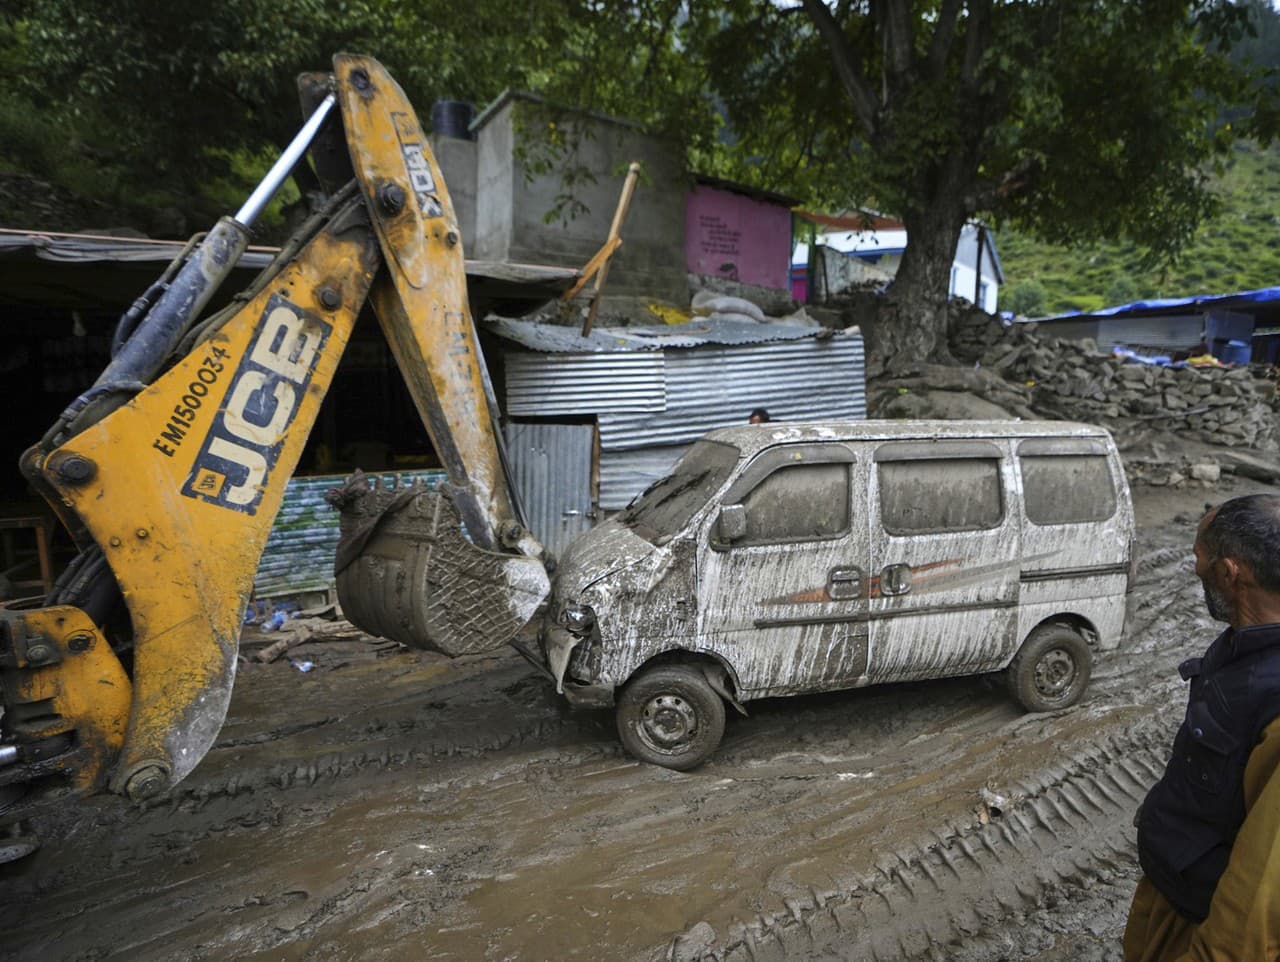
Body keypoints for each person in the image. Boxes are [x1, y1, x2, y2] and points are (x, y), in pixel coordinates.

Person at [1124, 494, 1280, 961]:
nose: (1194, 568)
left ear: (1230, 574)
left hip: (1198, 927)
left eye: (1199, 556)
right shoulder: (1249, 646)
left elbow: (1257, 902)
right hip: (1174, 893)